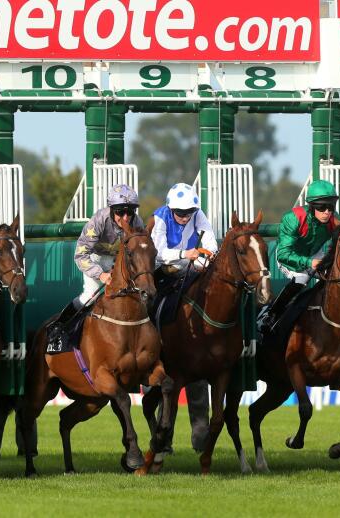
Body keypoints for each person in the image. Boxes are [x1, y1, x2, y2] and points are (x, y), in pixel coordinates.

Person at [150, 182, 218, 453]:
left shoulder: (198, 215)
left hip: (188, 271)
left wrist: (204, 257)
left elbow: (210, 242)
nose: (185, 216)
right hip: (162, 272)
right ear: (171, 208)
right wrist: (185, 254)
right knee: (150, 304)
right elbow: (156, 254)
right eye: (180, 212)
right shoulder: (160, 217)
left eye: (188, 211)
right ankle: (152, 341)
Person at [45, 184, 144, 350]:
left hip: (120, 263)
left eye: (130, 211)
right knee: (89, 297)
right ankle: (60, 329)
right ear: (112, 210)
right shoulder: (99, 220)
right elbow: (80, 255)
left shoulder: (137, 222)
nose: (126, 218)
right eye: (120, 212)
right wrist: (101, 275)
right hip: (95, 259)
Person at [259, 180, 340, 334]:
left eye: (331, 206)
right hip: (291, 256)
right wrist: (309, 263)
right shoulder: (293, 218)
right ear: (311, 206)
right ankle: (270, 314)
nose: (327, 212)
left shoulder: (334, 219)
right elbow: (284, 254)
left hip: (315, 254)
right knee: (302, 279)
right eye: (322, 207)